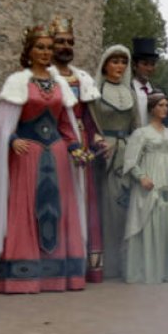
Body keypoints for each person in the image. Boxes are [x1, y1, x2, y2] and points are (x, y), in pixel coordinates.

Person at [0, 28, 87, 293]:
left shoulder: (59, 84)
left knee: (57, 208)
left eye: (48, 48)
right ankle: (23, 275)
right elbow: (2, 125)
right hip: (26, 154)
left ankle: (57, 276)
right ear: (29, 51)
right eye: (39, 47)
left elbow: (65, 124)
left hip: (57, 154)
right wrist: (12, 139)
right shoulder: (18, 82)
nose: (45, 52)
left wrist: (75, 147)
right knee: (25, 208)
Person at [50, 16, 105, 282]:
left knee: (85, 202)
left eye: (70, 42)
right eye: (60, 41)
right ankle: (57, 262)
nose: (66, 46)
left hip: (81, 144)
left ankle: (83, 264)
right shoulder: (43, 77)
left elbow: (89, 117)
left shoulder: (81, 77)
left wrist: (96, 139)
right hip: (55, 146)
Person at [122, 92, 168, 284]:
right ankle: (149, 270)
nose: (165, 109)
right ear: (152, 108)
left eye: (167, 105)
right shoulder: (141, 133)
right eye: (160, 105)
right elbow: (130, 160)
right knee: (150, 221)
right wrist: (141, 177)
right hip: (150, 182)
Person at [88, 45, 141, 279]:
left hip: (127, 153)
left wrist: (137, 153)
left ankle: (127, 263)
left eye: (123, 62)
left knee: (127, 206)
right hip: (105, 153)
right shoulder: (96, 92)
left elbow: (137, 127)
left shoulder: (130, 93)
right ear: (105, 64)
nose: (119, 66)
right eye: (114, 61)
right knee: (107, 208)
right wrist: (98, 143)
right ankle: (107, 264)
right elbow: (90, 123)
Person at [130, 37, 161, 116]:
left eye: (152, 64)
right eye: (145, 64)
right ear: (134, 65)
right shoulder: (127, 91)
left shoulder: (159, 92)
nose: (150, 68)